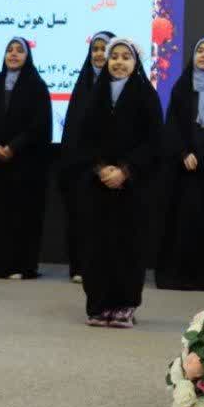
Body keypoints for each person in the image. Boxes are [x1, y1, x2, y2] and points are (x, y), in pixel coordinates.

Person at [74, 38, 162, 327]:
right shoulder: (94, 95)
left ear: (136, 63)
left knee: (128, 246)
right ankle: (98, 305)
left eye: (126, 57)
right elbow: (82, 139)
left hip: (132, 187)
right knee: (96, 246)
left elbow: (153, 142)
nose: (119, 62)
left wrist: (125, 170)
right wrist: (101, 169)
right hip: (97, 186)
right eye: (115, 57)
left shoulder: (146, 96)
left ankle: (125, 305)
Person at [155, 38, 204, 291]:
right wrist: (184, 153)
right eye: (200, 51)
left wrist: (203, 156)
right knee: (178, 222)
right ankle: (174, 276)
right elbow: (172, 124)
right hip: (181, 170)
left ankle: (201, 277)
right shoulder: (181, 87)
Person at [0, 37, 53, 279]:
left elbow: (39, 126)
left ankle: (20, 266)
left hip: (24, 165)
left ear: (28, 57)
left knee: (21, 216)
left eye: (20, 51)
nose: (14, 54)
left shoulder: (37, 87)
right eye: (10, 50)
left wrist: (13, 147)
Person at [58, 31, 114, 283]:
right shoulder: (82, 87)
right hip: (82, 169)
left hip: (113, 169)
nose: (100, 54)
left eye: (105, 49)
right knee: (81, 218)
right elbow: (73, 131)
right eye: (95, 49)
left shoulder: (123, 88)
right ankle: (80, 266)